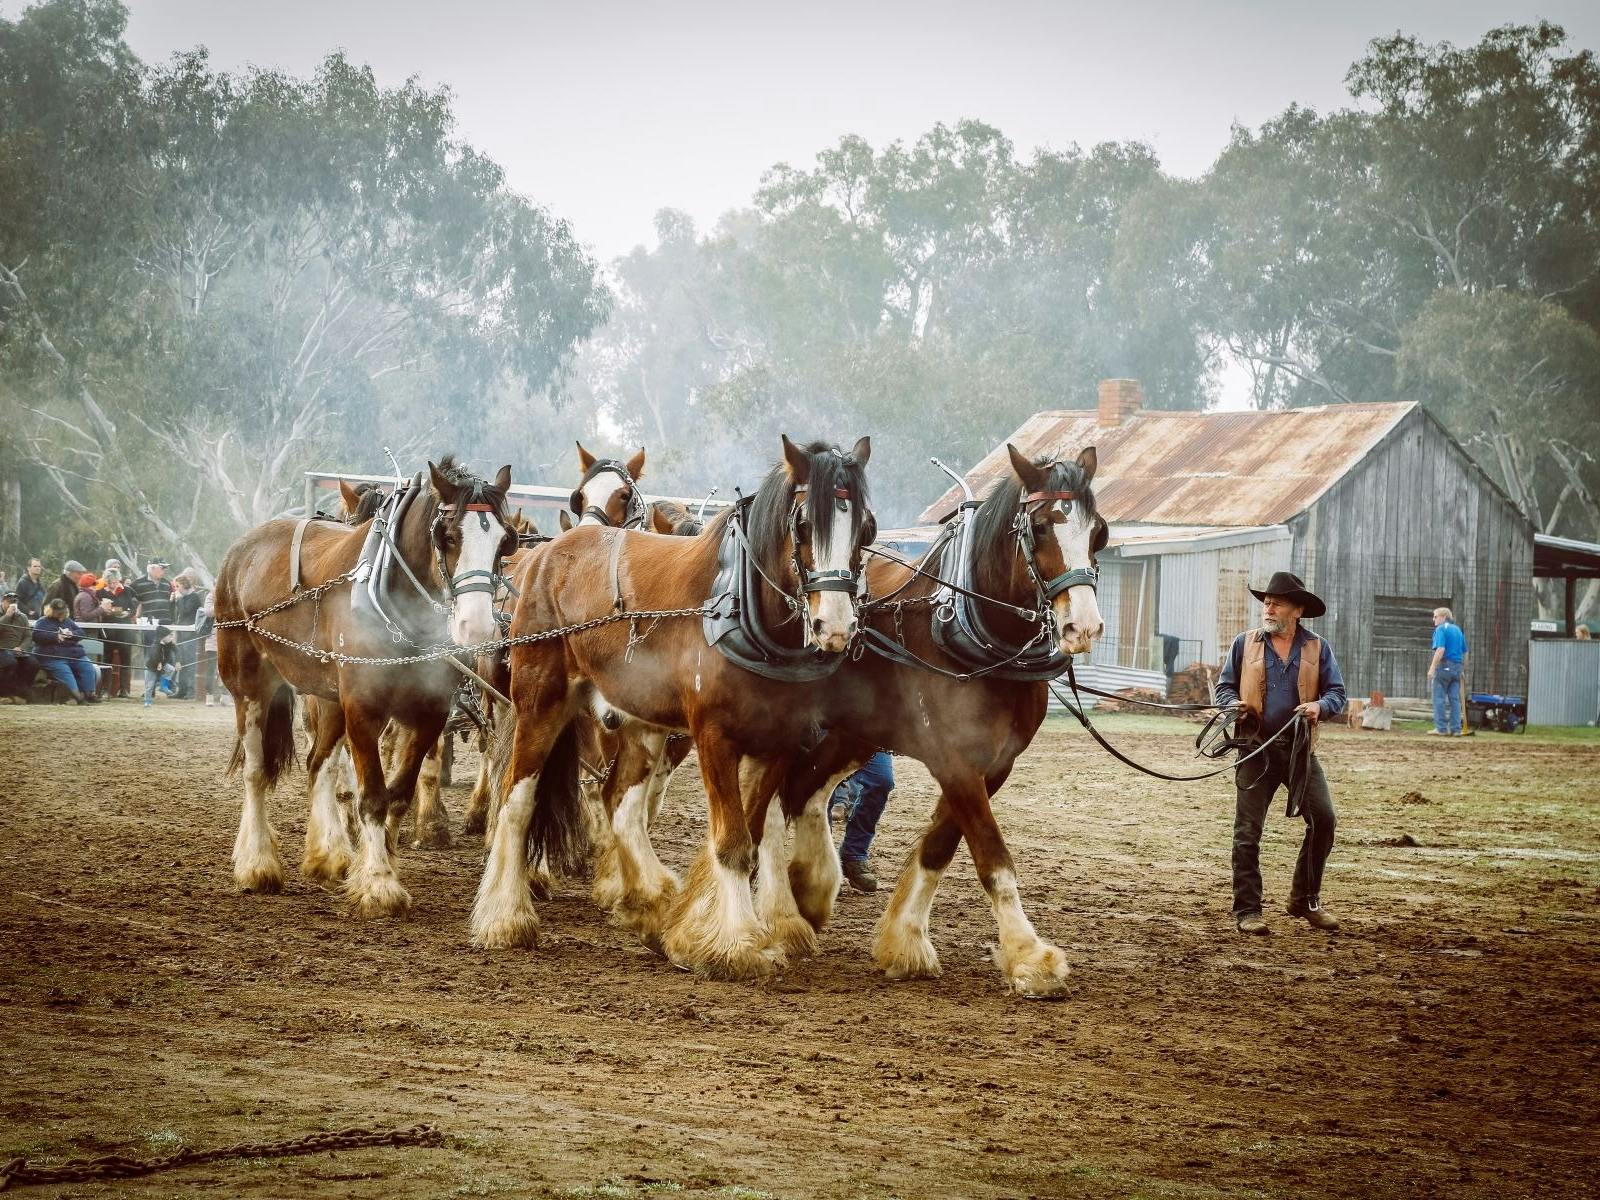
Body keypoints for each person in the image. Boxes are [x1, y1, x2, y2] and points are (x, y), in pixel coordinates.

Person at [1214, 571, 1347, 935]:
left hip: (1300, 751)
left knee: (1324, 820)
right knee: (1247, 832)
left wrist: (1320, 706)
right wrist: (1232, 705)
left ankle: (1304, 900)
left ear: (1297, 610)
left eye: (1276, 602)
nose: (1268, 607)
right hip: (1254, 749)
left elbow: (1337, 694)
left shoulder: (1318, 648)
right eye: (1266, 602)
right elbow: (1223, 688)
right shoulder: (1245, 643)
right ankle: (1248, 910)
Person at [828, 751, 895, 893]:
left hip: (872, 734)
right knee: (823, 785)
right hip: (828, 731)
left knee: (882, 780)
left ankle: (853, 853)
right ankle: (822, 861)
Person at [31, 597, 100, 704]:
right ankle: (76, 696)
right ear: (51, 610)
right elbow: (36, 636)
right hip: (53, 657)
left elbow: (81, 633)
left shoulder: (68, 621)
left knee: (87, 666)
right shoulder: (42, 622)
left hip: (73, 655)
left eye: (62, 612)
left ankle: (89, 694)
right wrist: (55, 636)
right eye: (58, 613)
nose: (60, 615)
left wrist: (72, 634)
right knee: (66, 673)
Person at [130, 559, 172, 700]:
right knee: (150, 658)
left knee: (166, 657)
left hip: (165, 626)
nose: (164, 571)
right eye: (162, 568)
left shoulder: (167, 584)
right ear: (151, 569)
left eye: (165, 568)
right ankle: (150, 689)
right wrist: (134, 616)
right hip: (149, 626)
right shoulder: (137, 584)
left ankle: (162, 686)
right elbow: (131, 601)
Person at [1427, 607, 1469, 737]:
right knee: (1454, 699)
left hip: (1444, 666)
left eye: (1436, 616)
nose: (1433, 619)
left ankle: (1441, 728)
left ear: (1444, 617)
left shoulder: (1440, 629)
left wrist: (1432, 668)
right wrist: (1463, 669)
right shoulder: (1457, 630)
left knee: (1438, 698)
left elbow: (1440, 649)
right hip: (1457, 668)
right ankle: (1456, 729)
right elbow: (1465, 651)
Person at [95, 568, 134, 698]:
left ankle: (124, 689)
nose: (112, 585)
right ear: (105, 581)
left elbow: (133, 608)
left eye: (114, 582)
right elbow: (99, 609)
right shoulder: (100, 592)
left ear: (118, 580)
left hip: (125, 630)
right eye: (109, 582)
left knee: (126, 659)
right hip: (108, 630)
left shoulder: (127, 591)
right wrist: (112, 611)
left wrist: (127, 613)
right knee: (106, 660)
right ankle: (105, 690)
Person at [171, 570, 205, 699]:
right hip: (181, 632)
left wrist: (179, 600)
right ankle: (182, 690)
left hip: (190, 635)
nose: (176, 589)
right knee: (181, 662)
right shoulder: (182, 598)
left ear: (184, 585)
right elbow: (176, 614)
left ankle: (191, 691)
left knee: (190, 663)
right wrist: (173, 601)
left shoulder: (194, 597)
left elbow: (186, 611)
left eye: (178, 586)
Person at [1, 589, 36, 699]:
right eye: (9, 602)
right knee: (10, 662)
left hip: (17, 651)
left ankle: (21, 689)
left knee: (33, 663)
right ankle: (5, 693)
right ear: (3, 601)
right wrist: (6, 616)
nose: (12, 605)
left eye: (14, 602)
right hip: (1, 650)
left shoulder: (23, 617)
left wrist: (21, 647)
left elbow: (28, 636)